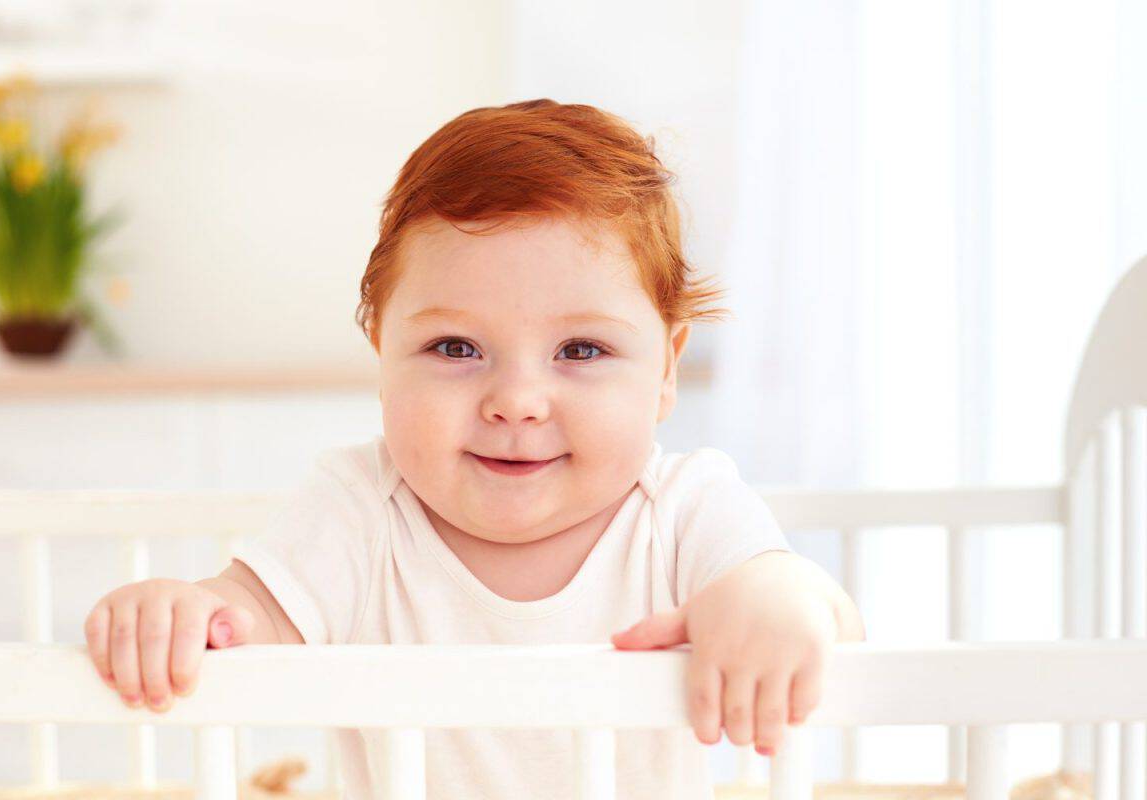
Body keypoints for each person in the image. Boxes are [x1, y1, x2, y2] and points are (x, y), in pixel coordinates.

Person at [84, 98, 865, 799]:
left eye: (582, 350)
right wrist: (189, 613)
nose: (517, 402)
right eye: (456, 348)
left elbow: (818, 610)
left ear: (665, 369)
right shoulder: (362, 507)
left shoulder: (686, 509)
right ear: (380, 351)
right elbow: (250, 617)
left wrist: (770, 601)